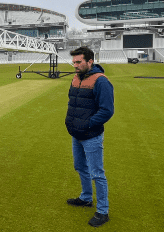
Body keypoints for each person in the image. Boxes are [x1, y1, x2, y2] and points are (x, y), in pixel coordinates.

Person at [64, 46, 115, 228]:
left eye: (78, 62)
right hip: (76, 134)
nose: (75, 65)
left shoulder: (101, 81)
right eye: (74, 62)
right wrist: (71, 123)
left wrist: (87, 124)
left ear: (90, 62)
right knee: (80, 166)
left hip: (91, 135)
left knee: (97, 173)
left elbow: (107, 110)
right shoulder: (76, 77)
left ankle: (103, 211)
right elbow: (73, 103)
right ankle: (86, 198)